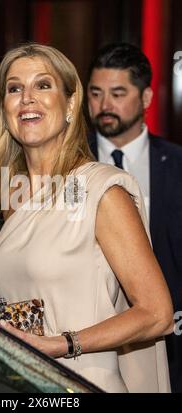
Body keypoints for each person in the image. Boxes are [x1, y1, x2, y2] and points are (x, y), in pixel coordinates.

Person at [0, 43, 174, 393]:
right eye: (15, 88)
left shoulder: (102, 191)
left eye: (42, 85)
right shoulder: (13, 195)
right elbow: (17, 292)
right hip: (24, 382)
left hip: (82, 382)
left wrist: (63, 343)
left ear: (71, 104)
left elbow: (157, 313)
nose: (27, 98)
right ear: (4, 108)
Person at [87, 42, 182, 393]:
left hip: (170, 339)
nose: (104, 105)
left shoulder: (177, 165)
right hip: (87, 342)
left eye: (117, 93)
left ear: (145, 99)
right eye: (96, 93)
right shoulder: (66, 166)